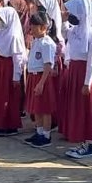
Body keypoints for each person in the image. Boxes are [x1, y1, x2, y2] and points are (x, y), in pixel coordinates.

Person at [63, 0, 92, 159]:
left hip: (86, 73)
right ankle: (81, 142)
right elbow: (65, 39)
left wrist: (87, 82)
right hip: (75, 70)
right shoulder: (75, 30)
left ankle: (90, 144)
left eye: (73, 11)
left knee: (88, 108)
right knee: (78, 108)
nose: (70, 14)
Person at [0, 6, 26, 136]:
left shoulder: (14, 35)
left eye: (0, 18)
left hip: (10, 67)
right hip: (1, 65)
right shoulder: (1, 32)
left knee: (8, 97)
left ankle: (9, 125)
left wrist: (16, 76)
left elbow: (18, 58)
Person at [25, 12, 58, 147]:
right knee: (36, 108)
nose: (31, 29)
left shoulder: (47, 43)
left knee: (45, 109)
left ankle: (46, 135)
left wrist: (41, 83)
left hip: (42, 77)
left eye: (34, 27)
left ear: (43, 27)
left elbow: (47, 64)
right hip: (33, 76)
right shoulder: (36, 41)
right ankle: (38, 132)